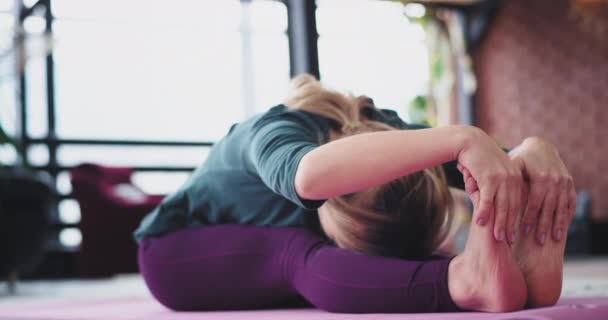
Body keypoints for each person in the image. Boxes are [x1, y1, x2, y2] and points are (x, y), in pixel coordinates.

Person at [134, 74, 576, 313]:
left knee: (375, 258)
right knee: (297, 253)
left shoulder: (386, 130)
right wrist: (463, 137)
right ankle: (462, 283)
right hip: (175, 257)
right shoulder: (274, 132)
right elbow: (309, 178)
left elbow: (498, 166)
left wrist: (533, 153)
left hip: (261, 263)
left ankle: (507, 267)